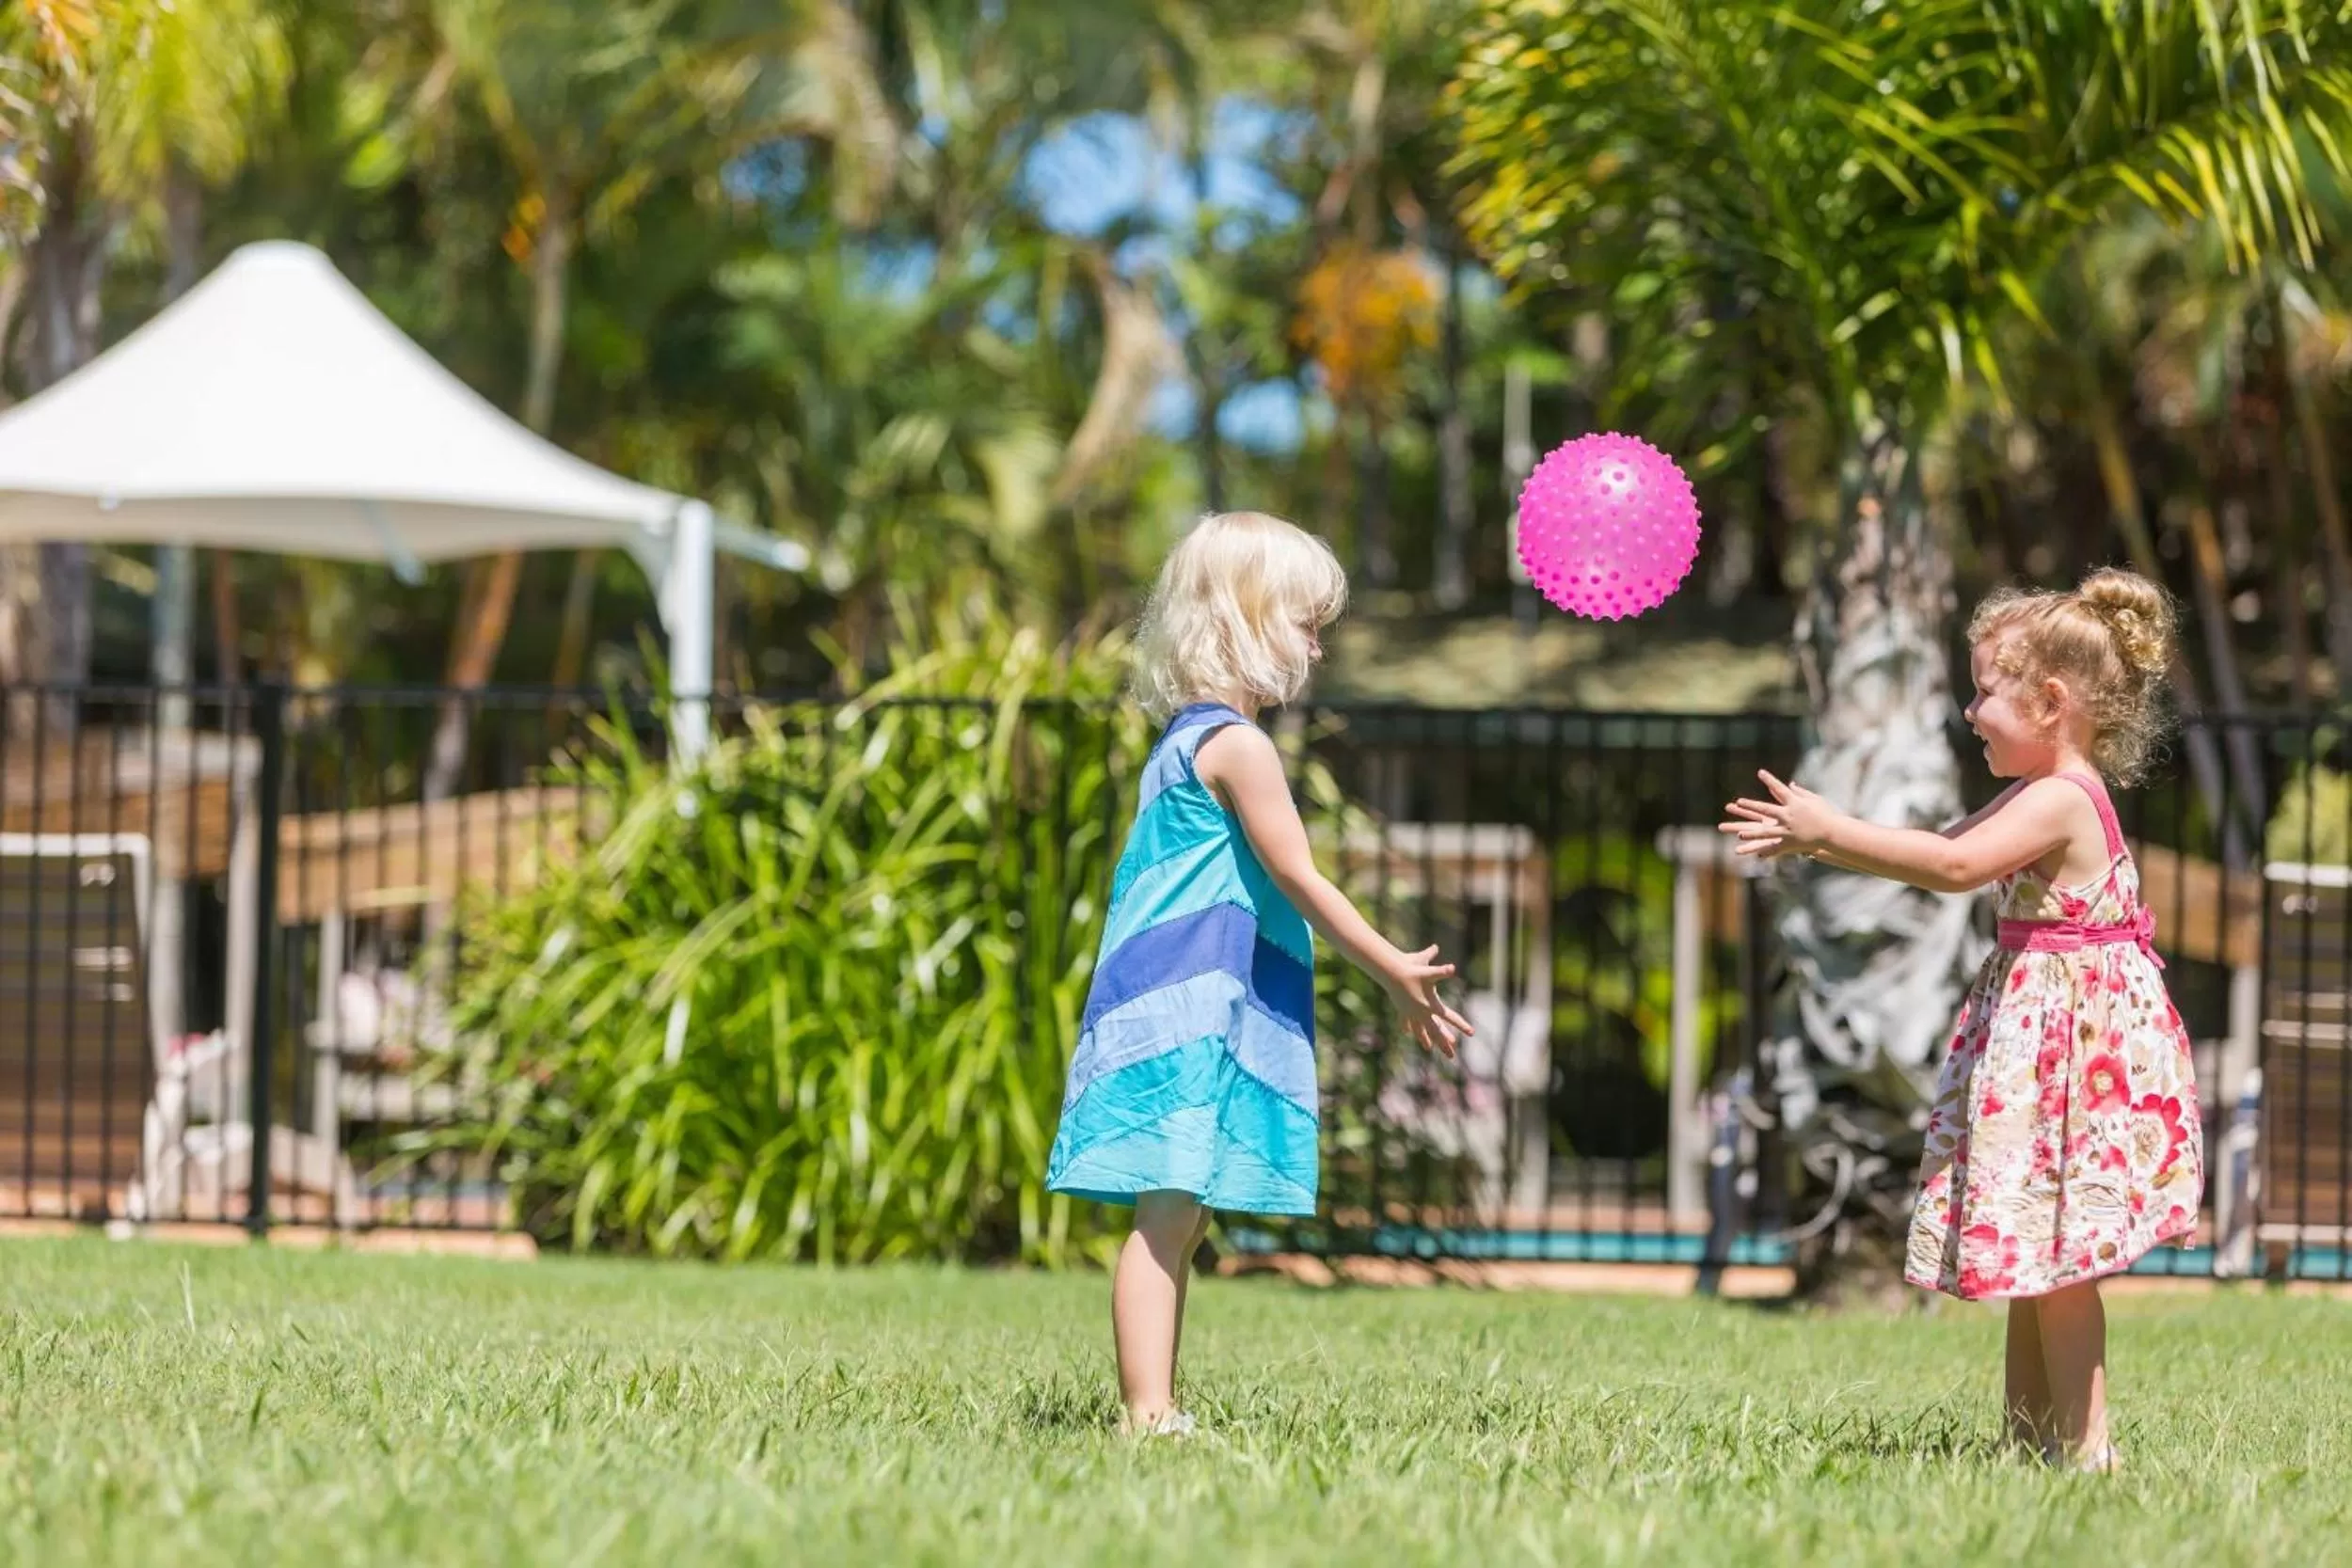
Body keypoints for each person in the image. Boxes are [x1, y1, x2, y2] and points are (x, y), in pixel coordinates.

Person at [1721, 567, 2201, 1473]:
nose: (1970, 709)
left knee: (2062, 1269)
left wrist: (1828, 831)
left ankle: (2089, 1454)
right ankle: (2028, 1447)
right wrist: (1831, 833)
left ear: (2052, 701)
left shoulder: (2062, 795)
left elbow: (1951, 868)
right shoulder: (2037, 790)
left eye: (1987, 690)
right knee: (2035, 1258)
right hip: (2045, 1042)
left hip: (2076, 1056)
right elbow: (1943, 847)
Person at [1046, 510, 1472, 1437]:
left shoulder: (1184, 738)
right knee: (1167, 1218)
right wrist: (1393, 964)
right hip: (1187, 1001)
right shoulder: (1236, 744)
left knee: (1178, 1215)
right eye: (1303, 621)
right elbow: (1298, 874)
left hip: (1171, 995)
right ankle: (1146, 1411)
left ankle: (1156, 1400)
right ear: (1243, 617)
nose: (1316, 643)